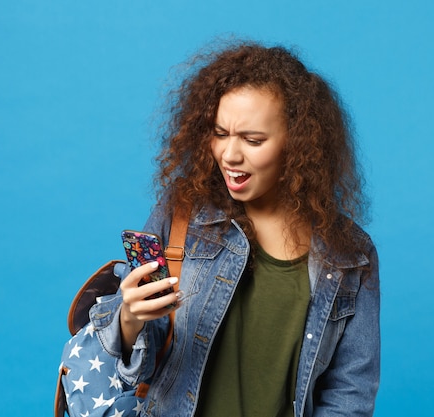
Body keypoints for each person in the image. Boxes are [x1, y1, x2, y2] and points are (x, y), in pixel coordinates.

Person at [90, 40, 380, 417]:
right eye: (220, 133)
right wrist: (129, 319)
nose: (230, 154)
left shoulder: (349, 255)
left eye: (253, 139)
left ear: (297, 142)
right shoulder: (181, 216)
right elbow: (136, 371)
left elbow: (350, 393)